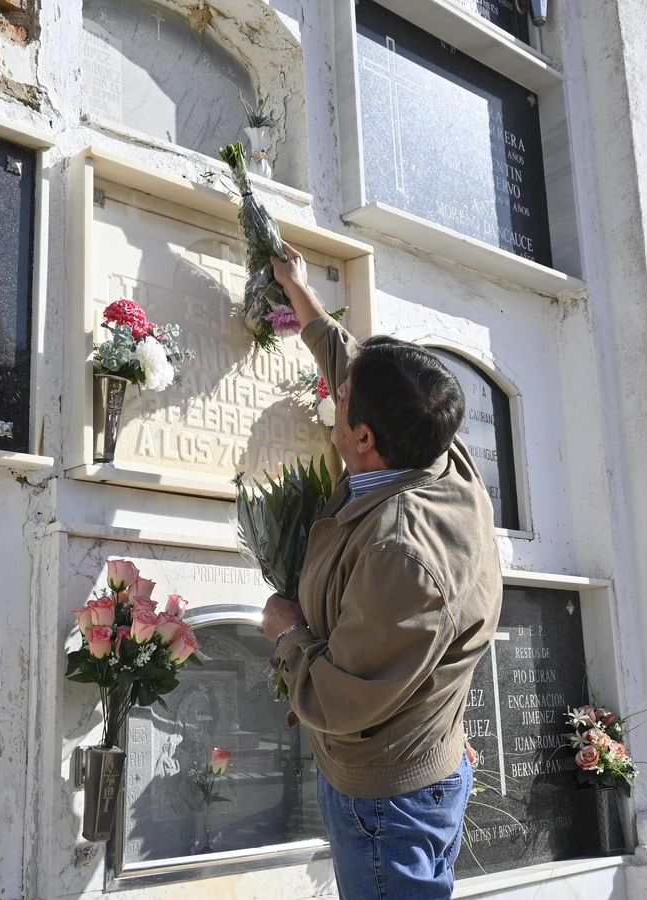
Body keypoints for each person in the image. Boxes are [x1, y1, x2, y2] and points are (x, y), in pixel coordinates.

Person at [261, 242, 503, 899]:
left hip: (388, 803)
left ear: (363, 438)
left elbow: (340, 700)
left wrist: (285, 631)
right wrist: (297, 288)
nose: (333, 395)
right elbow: (352, 366)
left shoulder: (402, 558)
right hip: (418, 761)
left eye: (339, 400)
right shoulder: (432, 445)